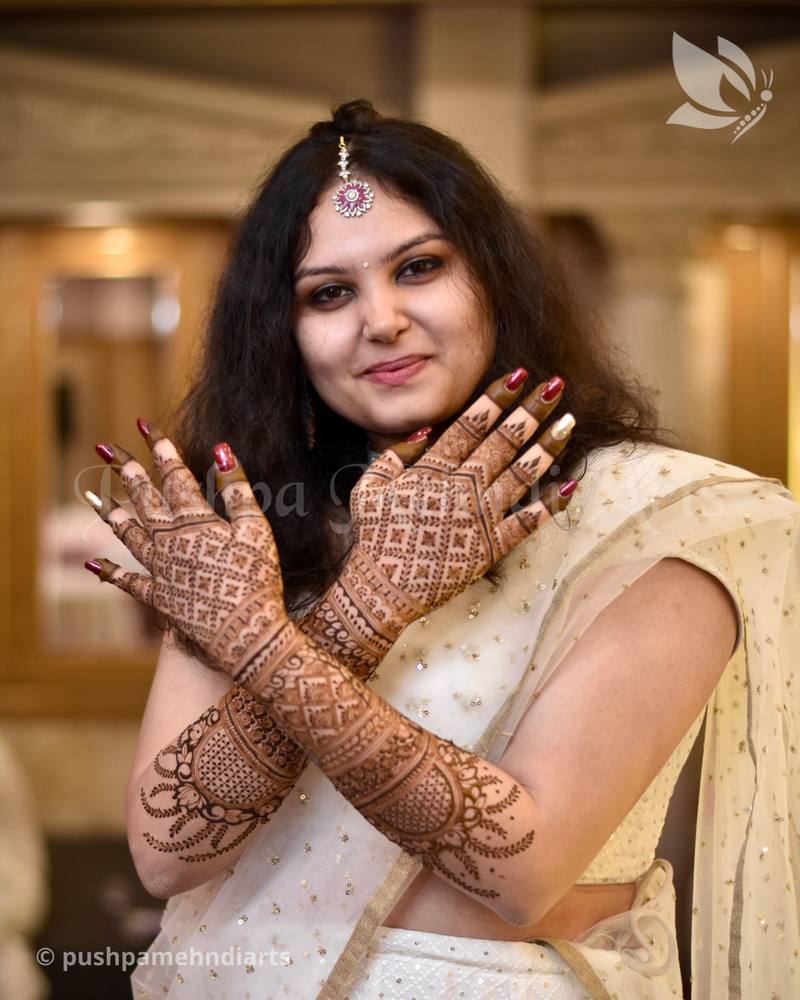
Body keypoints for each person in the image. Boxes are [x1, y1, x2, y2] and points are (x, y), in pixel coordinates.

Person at [85, 101, 798, 1000]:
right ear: (286, 335)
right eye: (328, 293)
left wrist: (269, 646)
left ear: (495, 280)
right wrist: (364, 607)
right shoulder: (254, 530)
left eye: (419, 268)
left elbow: (521, 871)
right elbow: (167, 856)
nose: (379, 320)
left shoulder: (649, 519)